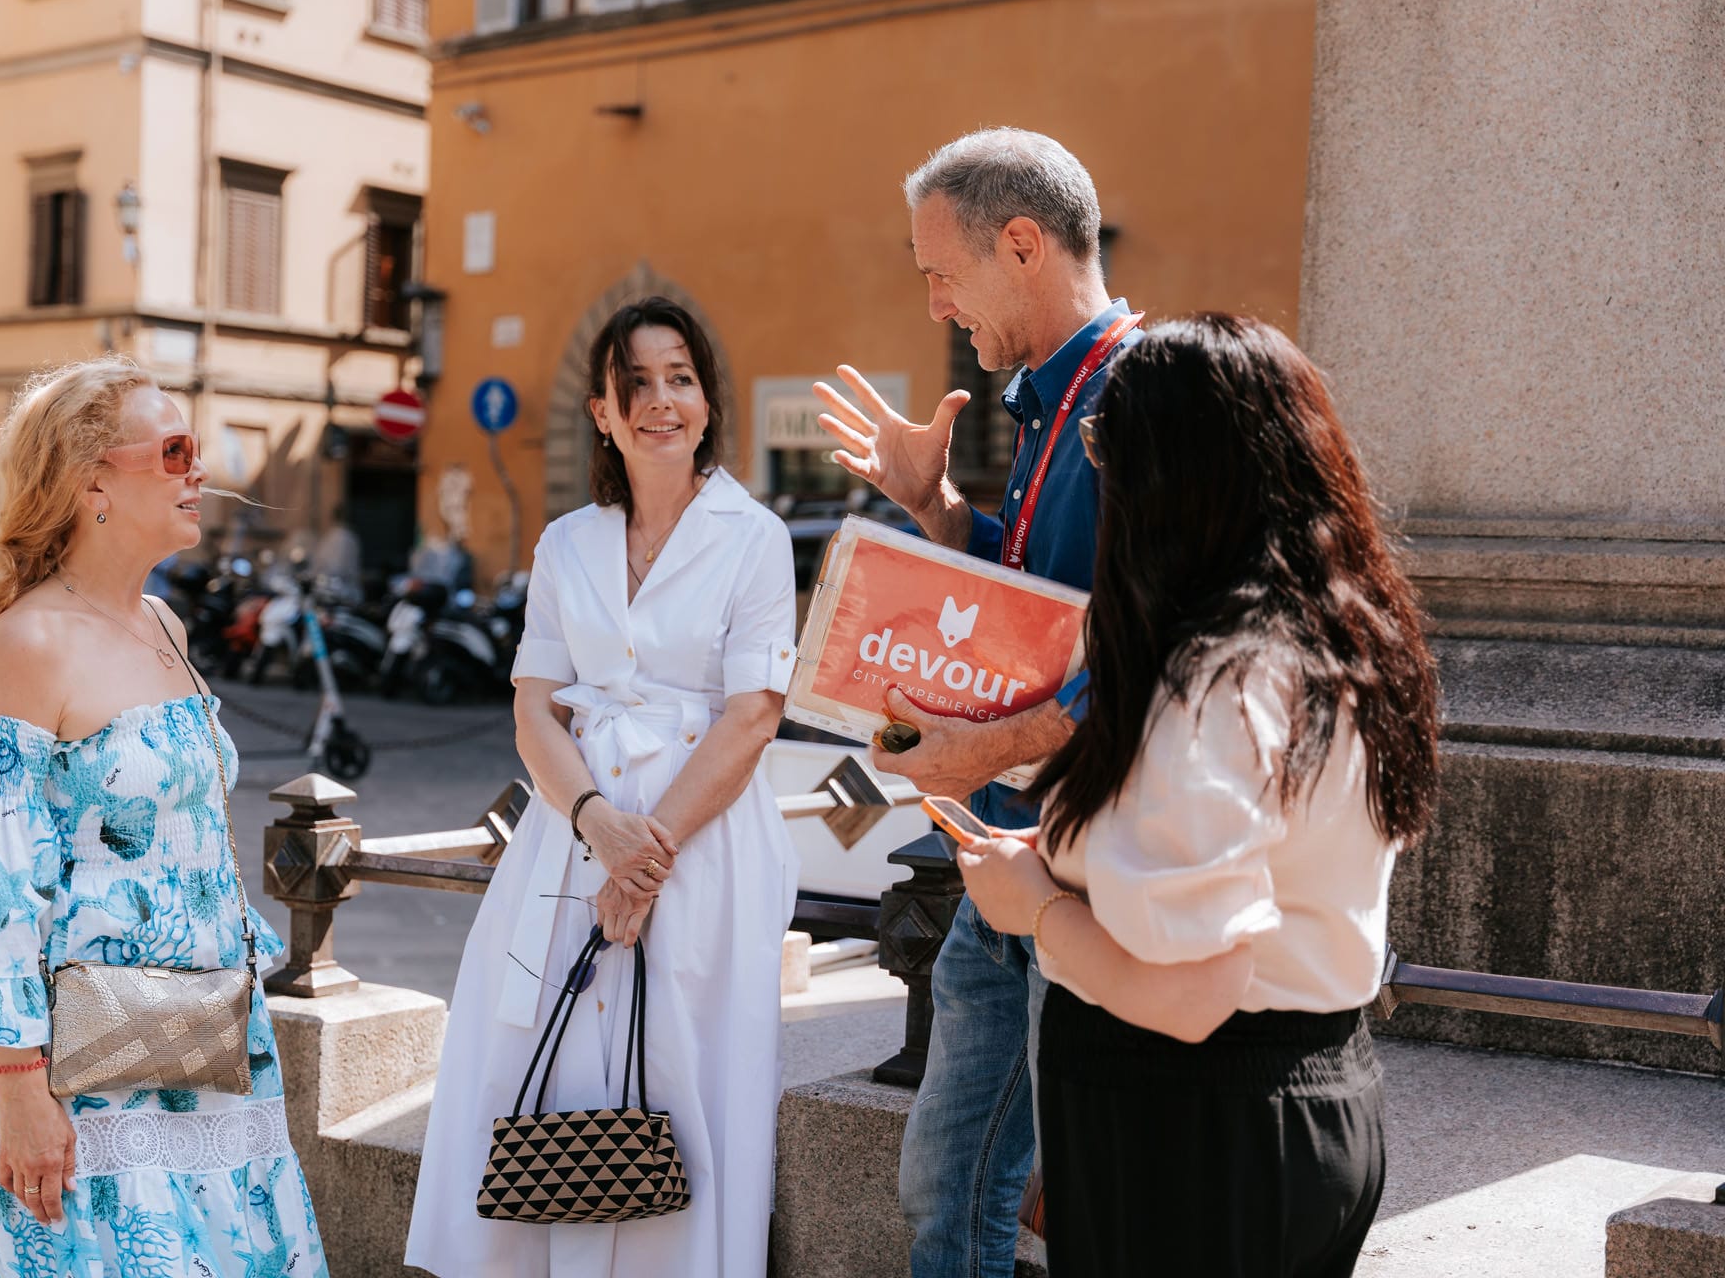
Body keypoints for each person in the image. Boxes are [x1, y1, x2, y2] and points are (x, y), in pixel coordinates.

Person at [956, 315, 1441, 1276]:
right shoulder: (1343, 637)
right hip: (1293, 1103)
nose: (1100, 473)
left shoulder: (1217, 678)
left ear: (1174, 474)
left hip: (1196, 1133)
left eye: (1106, 445)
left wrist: (1036, 907)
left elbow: (1191, 995)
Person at [405, 297, 799, 1277]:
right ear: (603, 411)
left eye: (682, 378)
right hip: (568, 834)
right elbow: (533, 704)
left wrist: (646, 851)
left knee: (682, 1065)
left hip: (704, 846)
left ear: (707, 403)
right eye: (639, 383)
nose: (662, 400)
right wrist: (595, 825)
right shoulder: (568, 542)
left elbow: (754, 712)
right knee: (540, 1054)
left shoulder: (756, 537)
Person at [0, 357, 328, 1275]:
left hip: (199, 1035)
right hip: (78, 1066)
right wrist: (19, 1088)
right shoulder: (31, 642)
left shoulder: (166, 626)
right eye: (175, 450)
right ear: (90, 477)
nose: (199, 472)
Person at [815, 127, 1141, 1277]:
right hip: (1015, 853)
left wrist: (978, 751)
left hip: (1088, 863)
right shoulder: (1049, 399)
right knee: (946, 1182)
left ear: (1021, 244)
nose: (942, 305)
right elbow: (1040, 609)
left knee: (1057, 1196)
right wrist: (940, 510)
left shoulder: (1139, 399)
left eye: (941, 274)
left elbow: (1137, 660)